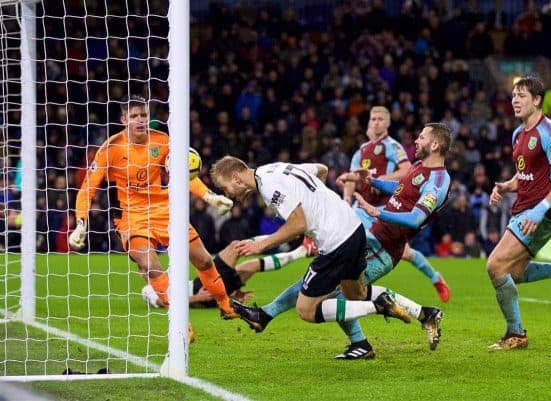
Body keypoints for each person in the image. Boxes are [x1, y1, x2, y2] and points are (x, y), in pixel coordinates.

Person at [227, 123, 452, 359]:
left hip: (385, 248)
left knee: (334, 295)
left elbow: (416, 218)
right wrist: (372, 181)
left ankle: (368, 338)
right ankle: (419, 316)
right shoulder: (420, 168)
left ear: (435, 144)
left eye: (422, 137)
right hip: (375, 237)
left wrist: (379, 213)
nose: (416, 140)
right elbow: (402, 187)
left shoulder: (438, 181)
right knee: (318, 284)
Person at [68, 95, 239, 342]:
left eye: (143, 115)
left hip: (165, 212)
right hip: (132, 218)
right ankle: (181, 324)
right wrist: (81, 221)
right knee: (149, 265)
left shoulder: (162, 141)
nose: (140, 121)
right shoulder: (111, 148)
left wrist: (210, 197)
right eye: (134, 116)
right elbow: (87, 188)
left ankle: (225, 305)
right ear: (124, 119)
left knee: (202, 260)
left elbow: (184, 174)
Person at [210, 156, 414, 357]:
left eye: (225, 187)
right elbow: (321, 169)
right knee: (354, 294)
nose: (227, 194)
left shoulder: (269, 185)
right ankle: (265, 315)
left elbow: (298, 224)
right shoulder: (276, 168)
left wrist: (261, 244)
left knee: (306, 310)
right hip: (353, 228)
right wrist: (317, 208)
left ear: (236, 178)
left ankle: (379, 306)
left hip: (336, 241)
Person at [486, 76, 551, 350]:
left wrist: (540, 209)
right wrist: (507, 186)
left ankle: (515, 334)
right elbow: (526, 175)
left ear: (537, 99)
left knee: (495, 266)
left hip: (541, 214)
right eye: (513, 96)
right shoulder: (517, 134)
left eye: (521, 96)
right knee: (513, 274)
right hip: (523, 209)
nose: (515, 101)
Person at [336, 106, 451, 302]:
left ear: (388, 123)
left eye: (380, 119)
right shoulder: (361, 151)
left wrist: (378, 181)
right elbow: (353, 180)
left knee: (401, 253)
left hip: (385, 207)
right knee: (342, 254)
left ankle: (433, 281)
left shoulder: (394, 147)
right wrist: (350, 196)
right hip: (363, 206)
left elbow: (404, 177)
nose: (376, 122)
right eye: (373, 119)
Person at [141, 235, 315, 308]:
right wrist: (197, 298)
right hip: (204, 290)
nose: (149, 268)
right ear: (141, 273)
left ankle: (302, 251)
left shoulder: (165, 277)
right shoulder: (148, 289)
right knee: (236, 247)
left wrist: (230, 295)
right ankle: (287, 237)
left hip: (207, 289)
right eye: (144, 268)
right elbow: (163, 302)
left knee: (252, 266)